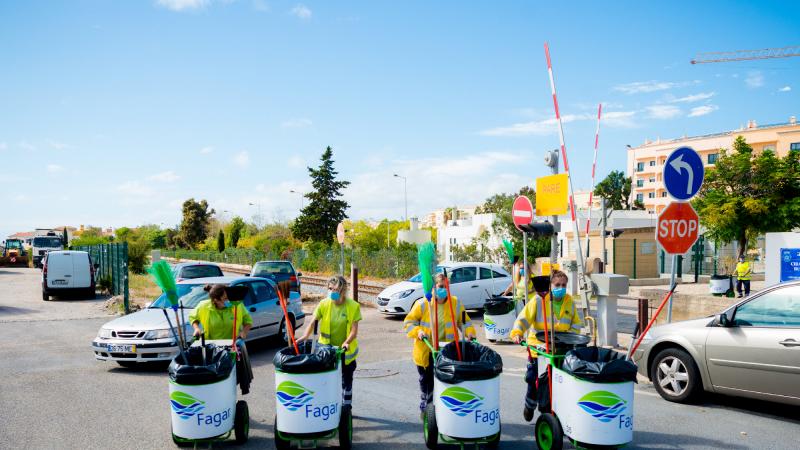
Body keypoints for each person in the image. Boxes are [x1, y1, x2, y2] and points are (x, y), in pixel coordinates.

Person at [510, 270, 583, 422]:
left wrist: (572, 340)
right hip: (539, 348)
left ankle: (554, 412)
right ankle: (529, 405)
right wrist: (517, 332)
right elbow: (523, 319)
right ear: (550, 285)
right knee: (533, 379)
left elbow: (576, 325)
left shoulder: (569, 301)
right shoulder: (538, 300)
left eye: (564, 285)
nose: (561, 288)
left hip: (560, 350)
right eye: (557, 285)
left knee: (558, 382)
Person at [403, 273, 477, 418]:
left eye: (446, 287)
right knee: (427, 382)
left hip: (447, 351)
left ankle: (445, 411)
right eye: (441, 287)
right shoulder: (423, 304)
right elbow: (408, 323)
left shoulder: (455, 303)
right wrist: (418, 332)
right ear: (434, 288)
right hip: (427, 350)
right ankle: (426, 407)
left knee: (445, 382)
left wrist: (469, 333)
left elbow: (465, 322)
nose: (444, 289)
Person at [299, 276, 362, 409]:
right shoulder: (324, 304)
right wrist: (305, 335)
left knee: (346, 381)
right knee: (326, 379)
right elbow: (313, 321)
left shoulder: (352, 306)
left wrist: (347, 342)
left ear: (342, 290)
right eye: (329, 288)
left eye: (335, 289)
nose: (331, 291)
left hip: (345, 352)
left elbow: (354, 331)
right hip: (326, 349)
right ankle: (328, 406)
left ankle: (346, 408)